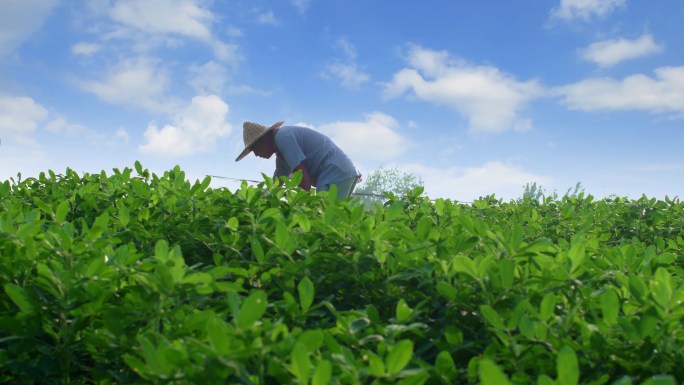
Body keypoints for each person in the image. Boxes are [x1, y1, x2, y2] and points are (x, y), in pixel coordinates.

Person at [235, 121, 361, 198]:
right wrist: (261, 199)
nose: (256, 154)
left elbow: (303, 180)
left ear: (263, 140)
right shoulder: (281, 155)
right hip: (341, 172)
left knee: (325, 220)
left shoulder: (283, 138)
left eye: (255, 148)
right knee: (333, 220)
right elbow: (274, 185)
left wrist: (299, 208)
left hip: (335, 173)